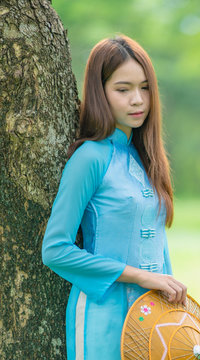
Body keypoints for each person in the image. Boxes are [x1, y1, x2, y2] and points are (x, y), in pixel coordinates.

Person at [41, 34, 187, 360]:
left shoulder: (145, 158)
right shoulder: (90, 158)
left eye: (145, 87)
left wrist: (170, 296)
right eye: (123, 89)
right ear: (100, 92)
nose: (138, 100)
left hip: (151, 317)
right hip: (101, 316)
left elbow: (158, 248)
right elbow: (54, 251)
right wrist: (141, 276)